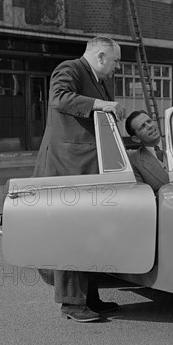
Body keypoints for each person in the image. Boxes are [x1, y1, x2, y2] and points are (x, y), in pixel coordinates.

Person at [33, 36, 125, 323]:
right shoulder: (69, 68)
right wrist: (101, 103)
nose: (117, 67)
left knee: (91, 233)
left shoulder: (97, 79)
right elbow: (59, 98)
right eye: (115, 60)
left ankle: (89, 297)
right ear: (100, 56)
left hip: (86, 167)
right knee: (72, 234)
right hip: (66, 168)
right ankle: (71, 304)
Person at [125, 110, 169, 193]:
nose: (149, 126)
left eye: (149, 121)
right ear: (136, 139)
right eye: (142, 127)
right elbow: (144, 195)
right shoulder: (134, 162)